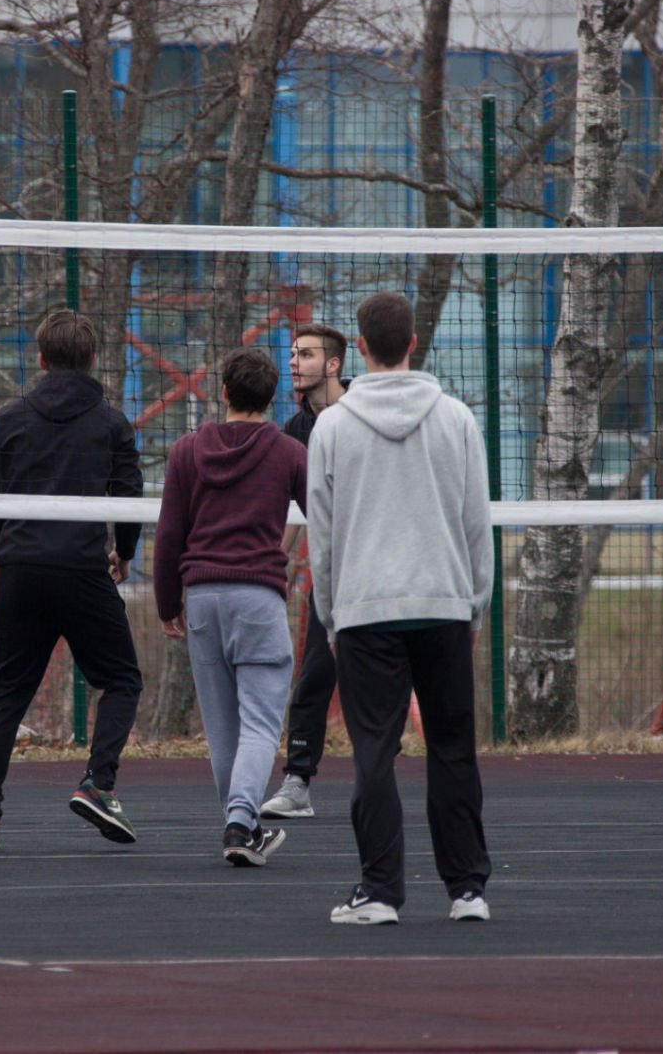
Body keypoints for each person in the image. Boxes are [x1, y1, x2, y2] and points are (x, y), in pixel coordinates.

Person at [308, 293, 494, 924]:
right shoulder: (457, 420)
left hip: (364, 611)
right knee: (452, 748)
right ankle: (467, 890)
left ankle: (381, 891)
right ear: (414, 342)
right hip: (443, 605)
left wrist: (330, 616)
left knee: (374, 753)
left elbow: (322, 539)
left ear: (358, 348)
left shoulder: (332, 428)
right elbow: (477, 525)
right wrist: (474, 607)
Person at [0, 311, 144, 851]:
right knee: (122, 679)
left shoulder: (8, 419)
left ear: (40, 359)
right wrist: (125, 553)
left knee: (5, 694)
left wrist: (1, 556)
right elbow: (129, 494)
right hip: (82, 569)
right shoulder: (111, 423)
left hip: (22, 570)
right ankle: (98, 784)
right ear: (91, 359)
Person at [153, 348, 308, 865]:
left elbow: (169, 535)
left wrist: (167, 602)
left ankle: (241, 827)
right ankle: (241, 823)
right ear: (273, 397)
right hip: (257, 596)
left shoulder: (185, 451)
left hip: (201, 598)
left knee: (222, 729)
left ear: (223, 393)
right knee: (261, 723)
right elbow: (326, 513)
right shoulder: (289, 452)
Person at [261, 322, 349, 821]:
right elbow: (294, 510)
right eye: (293, 354)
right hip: (334, 576)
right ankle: (297, 781)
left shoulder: (364, 413)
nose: (294, 362)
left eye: (307, 355)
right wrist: (275, 565)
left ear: (334, 364)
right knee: (315, 672)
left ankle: (392, 775)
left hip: (388, 571)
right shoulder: (294, 432)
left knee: (391, 675)